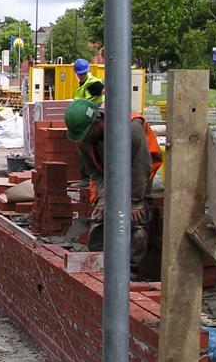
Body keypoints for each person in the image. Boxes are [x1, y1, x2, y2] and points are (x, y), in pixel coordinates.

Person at [64, 99, 157, 266]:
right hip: (109, 176)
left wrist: (135, 202)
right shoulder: (83, 139)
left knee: (135, 221)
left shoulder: (131, 128)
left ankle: (130, 274)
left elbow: (142, 166)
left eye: (86, 135)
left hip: (139, 174)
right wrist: (103, 197)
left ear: (98, 122)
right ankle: (99, 269)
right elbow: (94, 172)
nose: (83, 140)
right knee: (99, 219)